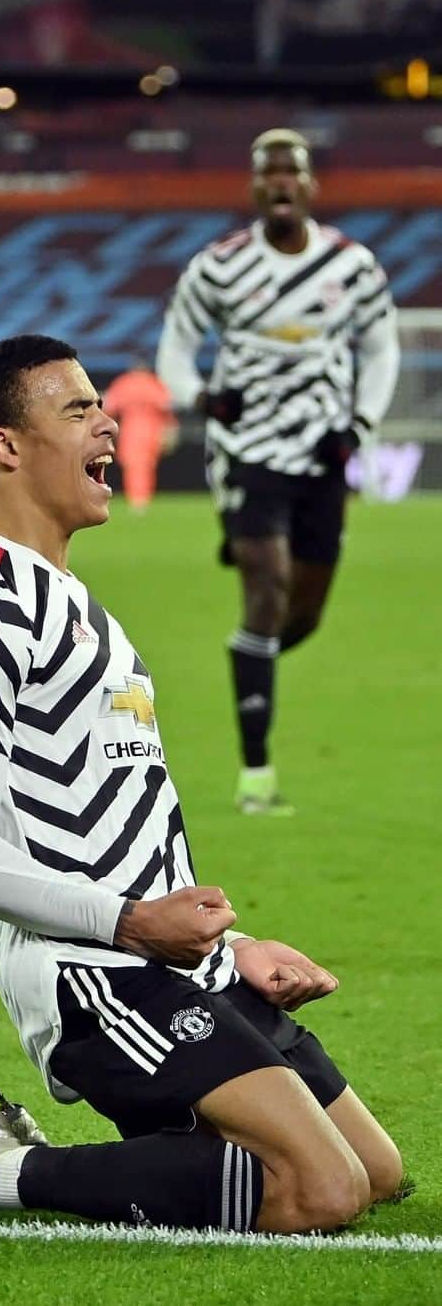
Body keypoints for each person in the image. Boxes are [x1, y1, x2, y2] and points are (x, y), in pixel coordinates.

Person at [0, 336, 403, 1234]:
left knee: (374, 1169)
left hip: (173, 960)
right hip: (94, 975)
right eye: (79, 408)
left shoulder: (72, 598)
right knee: (319, 1189)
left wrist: (230, 945)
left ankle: (143, 1149)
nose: (109, 422)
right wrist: (130, 923)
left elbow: (115, 819)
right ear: (5, 445)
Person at [156, 128, 399, 815]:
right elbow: (175, 341)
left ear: (310, 185)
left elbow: (381, 350)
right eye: (269, 173)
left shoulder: (351, 266)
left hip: (324, 453)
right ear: (255, 186)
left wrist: (360, 425)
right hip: (247, 448)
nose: (281, 184)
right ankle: (256, 776)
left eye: (292, 172)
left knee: (305, 611)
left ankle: (249, 656)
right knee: (268, 585)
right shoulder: (220, 266)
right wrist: (198, 398)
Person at [101, 357, 176, 511]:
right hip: (152, 429)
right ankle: (142, 498)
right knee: (145, 465)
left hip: (131, 428)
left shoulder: (125, 382)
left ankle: (138, 499)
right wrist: (169, 432)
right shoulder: (153, 383)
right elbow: (167, 409)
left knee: (134, 464)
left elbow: (108, 407)